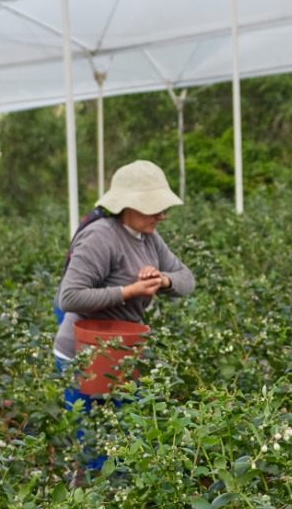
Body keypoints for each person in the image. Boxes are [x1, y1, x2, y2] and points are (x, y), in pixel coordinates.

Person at [54, 160, 195, 415]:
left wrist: (162, 280)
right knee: (95, 443)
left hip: (121, 352)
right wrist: (130, 291)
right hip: (85, 354)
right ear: (129, 204)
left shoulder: (149, 237)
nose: (161, 216)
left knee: (121, 443)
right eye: (154, 209)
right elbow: (69, 297)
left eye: (163, 209)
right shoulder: (102, 236)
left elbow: (187, 278)